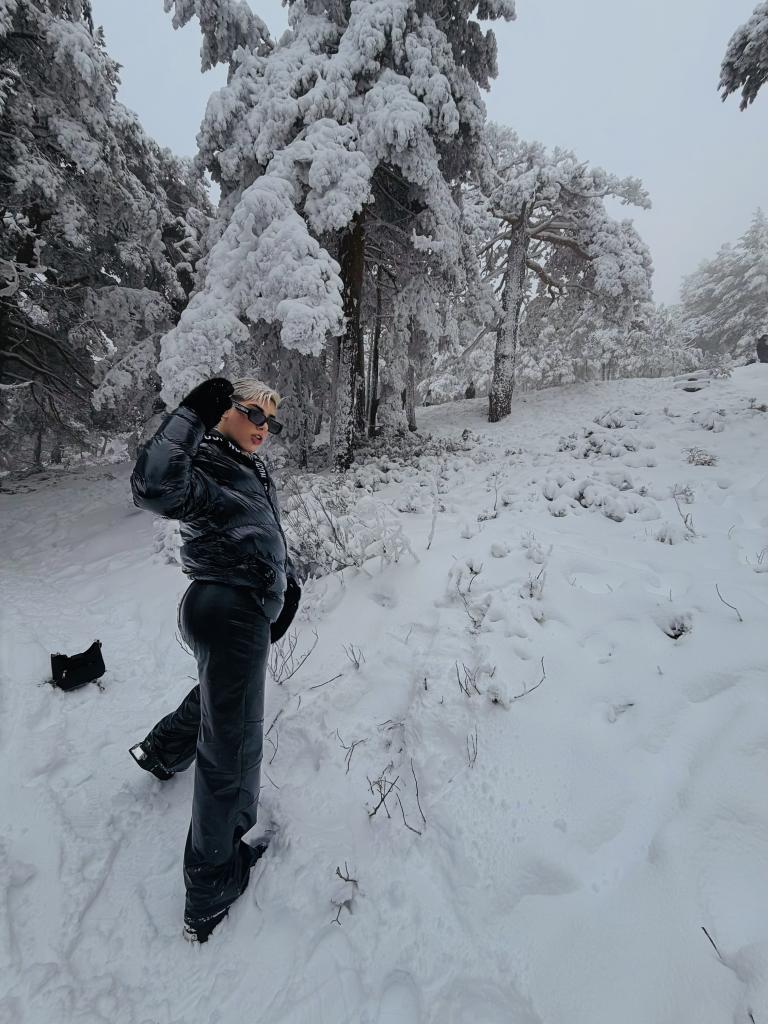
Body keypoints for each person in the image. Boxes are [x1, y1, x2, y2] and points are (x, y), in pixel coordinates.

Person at [128, 376, 301, 943]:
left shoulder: (243, 466)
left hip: (235, 606)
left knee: (220, 700)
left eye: (272, 421)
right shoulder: (205, 457)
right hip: (227, 607)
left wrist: (284, 585)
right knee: (233, 749)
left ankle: (161, 750)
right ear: (225, 411)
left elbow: (254, 532)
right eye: (255, 413)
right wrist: (190, 415)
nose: (264, 428)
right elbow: (154, 488)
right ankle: (211, 885)